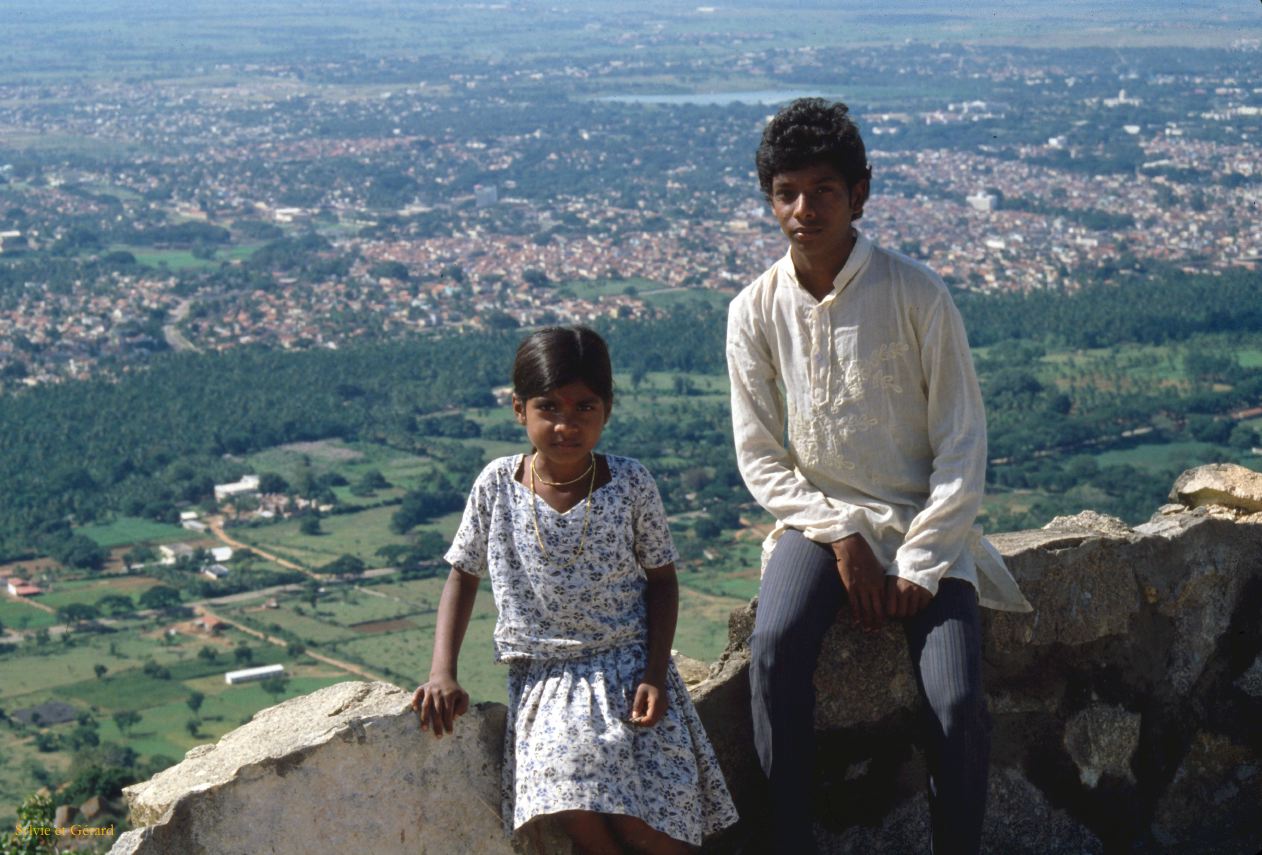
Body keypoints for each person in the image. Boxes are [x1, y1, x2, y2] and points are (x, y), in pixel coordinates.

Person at [725, 98, 1032, 855]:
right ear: (769, 200)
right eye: (788, 192)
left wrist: (923, 563)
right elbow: (761, 454)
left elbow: (963, 444)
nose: (805, 209)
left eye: (824, 190)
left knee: (958, 702)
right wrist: (838, 534)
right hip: (818, 517)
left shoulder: (917, 295)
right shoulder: (754, 311)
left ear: (860, 194)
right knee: (774, 649)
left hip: (926, 521)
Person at [413, 326, 738, 855]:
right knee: (567, 793)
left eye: (585, 407)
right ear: (519, 410)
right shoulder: (497, 484)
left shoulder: (631, 483)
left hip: (629, 669)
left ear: (607, 409)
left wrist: (655, 674)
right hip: (546, 677)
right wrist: (441, 672)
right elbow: (462, 574)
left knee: (654, 829)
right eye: (549, 407)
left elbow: (662, 580)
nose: (566, 424)